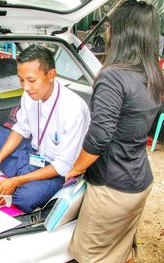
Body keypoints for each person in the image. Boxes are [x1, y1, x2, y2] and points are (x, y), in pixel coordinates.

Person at [66, 1, 164, 262]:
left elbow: (99, 137)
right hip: (139, 181)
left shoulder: (113, 76)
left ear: (121, 32)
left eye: (109, 25)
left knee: (90, 255)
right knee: (120, 251)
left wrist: (73, 170)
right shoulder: (152, 73)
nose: (106, 31)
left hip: (112, 190)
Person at [0, 44, 90, 213]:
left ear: (51, 75)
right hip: (31, 153)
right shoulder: (29, 95)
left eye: (31, 80)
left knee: (26, 198)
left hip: (53, 169)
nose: (25, 87)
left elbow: (63, 166)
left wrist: (16, 181)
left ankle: (9, 184)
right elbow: (21, 129)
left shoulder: (72, 108)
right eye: (21, 80)